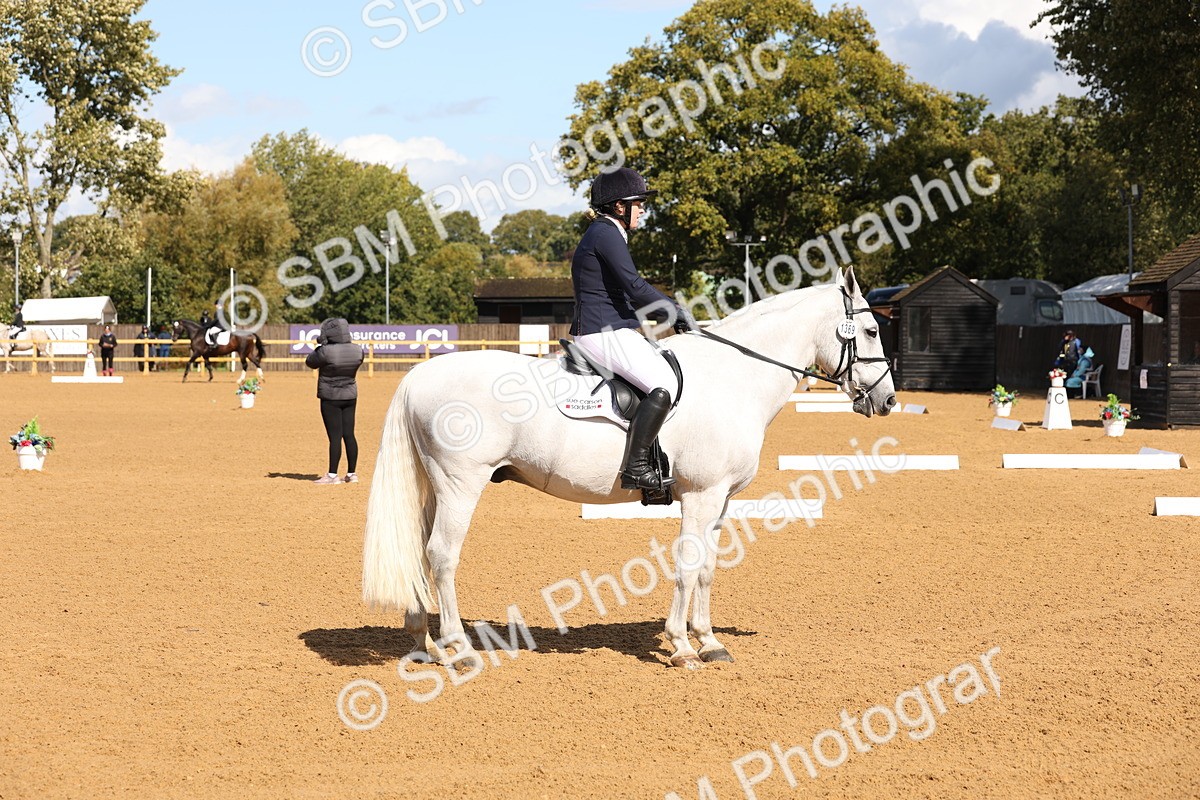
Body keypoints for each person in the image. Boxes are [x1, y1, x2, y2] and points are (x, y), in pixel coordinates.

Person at [570, 166, 697, 491]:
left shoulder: (607, 232)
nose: (643, 209)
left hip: (610, 327)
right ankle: (636, 467)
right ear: (619, 206)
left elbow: (628, 293)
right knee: (663, 382)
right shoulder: (606, 233)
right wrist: (674, 309)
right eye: (638, 203)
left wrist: (668, 313)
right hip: (602, 331)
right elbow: (635, 286)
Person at [305, 318, 364, 484]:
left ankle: (332, 475)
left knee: (335, 437)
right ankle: (352, 473)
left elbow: (310, 362)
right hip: (350, 395)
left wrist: (321, 345)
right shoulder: (358, 350)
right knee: (349, 435)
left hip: (330, 396)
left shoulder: (325, 351)